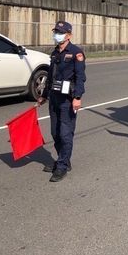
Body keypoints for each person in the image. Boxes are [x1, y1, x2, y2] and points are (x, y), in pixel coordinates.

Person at [37, 21, 86, 182]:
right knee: (55, 133)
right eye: (56, 31)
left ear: (69, 35)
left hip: (68, 100)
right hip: (54, 98)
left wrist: (77, 98)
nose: (56, 34)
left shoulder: (76, 53)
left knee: (65, 134)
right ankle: (63, 159)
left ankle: (62, 166)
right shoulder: (55, 53)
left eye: (60, 32)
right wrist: (44, 95)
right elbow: (50, 77)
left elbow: (80, 78)